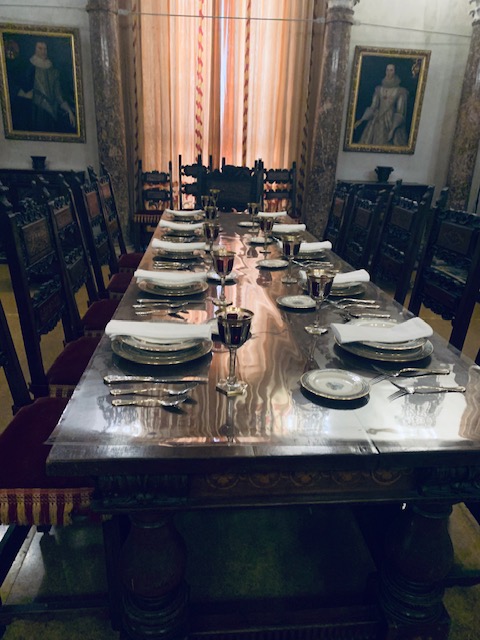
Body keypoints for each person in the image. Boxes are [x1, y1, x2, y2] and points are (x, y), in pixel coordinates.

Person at [16, 40, 75, 133]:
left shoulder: (54, 71)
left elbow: (58, 96)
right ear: (34, 49)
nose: (43, 51)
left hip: (51, 113)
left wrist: (69, 111)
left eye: (45, 49)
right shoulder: (28, 68)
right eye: (40, 48)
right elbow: (21, 91)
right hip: (35, 110)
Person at [354, 63, 408, 146]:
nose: (389, 73)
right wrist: (362, 119)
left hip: (391, 121)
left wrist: (392, 130)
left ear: (395, 72)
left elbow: (400, 112)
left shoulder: (400, 91)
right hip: (377, 120)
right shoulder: (378, 89)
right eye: (387, 70)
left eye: (391, 70)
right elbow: (373, 106)